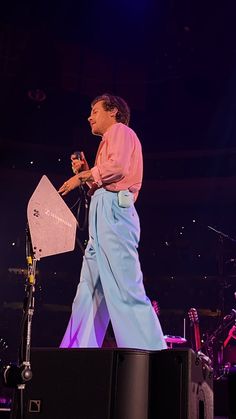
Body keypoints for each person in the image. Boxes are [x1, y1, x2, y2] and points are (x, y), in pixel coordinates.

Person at [58, 93, 166, 350]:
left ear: (113, 111)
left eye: (95, 111)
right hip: (103, 211)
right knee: (89, 291)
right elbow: (106, 177)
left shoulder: (120, 131)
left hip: (114, 212)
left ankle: (151, 353)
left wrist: (83, 177)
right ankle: (76, 354)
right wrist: (88, 173)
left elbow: (117, 168)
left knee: (124, 285)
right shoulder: (109, 140)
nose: (89, 117)